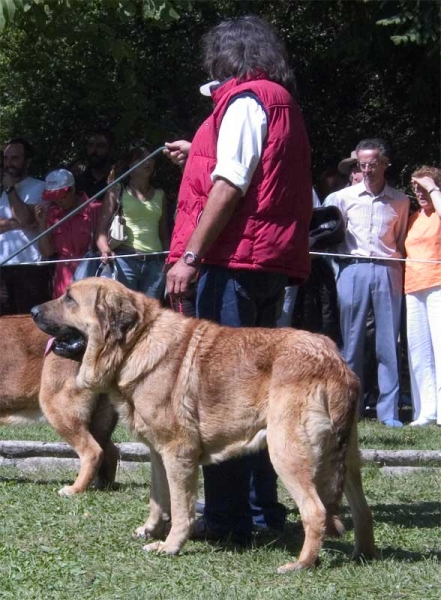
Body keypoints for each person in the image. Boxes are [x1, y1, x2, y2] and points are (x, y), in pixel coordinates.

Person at [165, 15, 312, 543]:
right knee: (259, 398)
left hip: (234, 266)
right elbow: (254, 174)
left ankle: (230, 519)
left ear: (225, 57)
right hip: (265, 264)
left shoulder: (247, 100)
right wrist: (196, 153)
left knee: (221, 396)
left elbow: (231, 183)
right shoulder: (275, 100)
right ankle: (260, 513)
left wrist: (190, 257)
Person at [324, 138, 409, 427]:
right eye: (363, 164)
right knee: (352, 342)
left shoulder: (400, 200)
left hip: (387, 269)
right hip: (353, 269)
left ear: (385, 164)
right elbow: (326, 237)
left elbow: (398, 242)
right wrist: (340, 271)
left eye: (373, 164)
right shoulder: (341, 198)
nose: (368, 169)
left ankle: (389, 412)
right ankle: (349, 408)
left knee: (388, 342)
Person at [96, 140, 169, 299]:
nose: (148, 162)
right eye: (141, 158)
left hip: (156, 263)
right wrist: (104, 249)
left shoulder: (160, 194)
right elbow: (100, 230)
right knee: (124, 312)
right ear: (130, 165)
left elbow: (164, 233)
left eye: (151, 158)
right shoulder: (116, 190)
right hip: (125, 260)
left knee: (150, 315)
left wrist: (169, 261)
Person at [404, 167, 441, 426]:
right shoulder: (414, 217)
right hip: (412, 288)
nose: (420, 193)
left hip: (438, 284)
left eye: (424, 187)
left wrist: (434, 187)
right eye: (416, 188)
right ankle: (426, 411)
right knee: (419, 352)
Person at [0, 137, 52, 314]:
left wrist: (10, 190)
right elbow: (25, 220)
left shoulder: (40, 187)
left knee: (29, 322)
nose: (9, 163)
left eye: (14, 158)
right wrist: (22, 222)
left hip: (30, 267)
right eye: (6, 158)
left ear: (27, 161)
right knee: (4, 324)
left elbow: (26, 218)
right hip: (3, 265)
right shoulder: (1, 192)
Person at [35, 169, 101, 298]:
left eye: (62, 196)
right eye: (54, 197)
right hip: (63, 280)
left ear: (73, 189)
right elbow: (47, 252)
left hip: (90, 275)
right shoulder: (53, 213)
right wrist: (42, 224)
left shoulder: (95, 209)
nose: (58, 200)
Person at [71, 128, 114, 200]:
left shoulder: (118, 177)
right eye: (90, 145)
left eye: (100, 146)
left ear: (110, 150)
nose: (94, 150)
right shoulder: (78, 177)